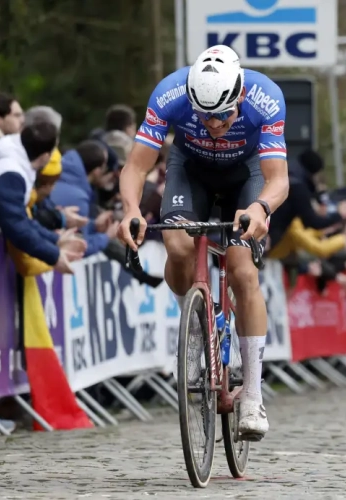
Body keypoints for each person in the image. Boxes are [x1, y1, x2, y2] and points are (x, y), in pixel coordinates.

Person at [118, 45, 289, 441]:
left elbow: (277, 177)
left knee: (242, 269)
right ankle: (195, 321)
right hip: (190, 169)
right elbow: (137, 165)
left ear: (240, 95)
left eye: (223, 115)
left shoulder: (266, 98)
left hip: (246, 176)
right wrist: (130, 208)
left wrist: (262, 207)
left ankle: (252, 394)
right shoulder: (169, 93)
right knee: (177, 246)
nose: (213, 124)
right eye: (203, 115)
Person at [0, 122, 86, 273]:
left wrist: (56, 239)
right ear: (45, 157)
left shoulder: (13, 163)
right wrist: (54, 257)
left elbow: (23, 220)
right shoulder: (11, 173)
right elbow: (17, 227)